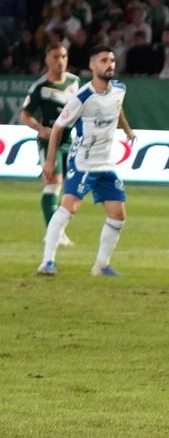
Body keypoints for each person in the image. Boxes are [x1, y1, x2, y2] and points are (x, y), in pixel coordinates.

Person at [38, 47, 133, 278]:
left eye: (112, 60)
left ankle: (101, 265)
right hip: (83, 163)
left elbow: (117, 107)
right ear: (93, 66)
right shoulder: (83, 97)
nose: (109, 64)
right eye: (103, 60)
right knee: (70, 208)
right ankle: (47, 261)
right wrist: (50, 162)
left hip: (106, 164)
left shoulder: (119, 88)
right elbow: (59, 127)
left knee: (118, 214)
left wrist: (127, 129)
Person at [19, 42, 81, 242]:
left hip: (70, 141)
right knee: (53, 184)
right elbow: (25, 115)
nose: (60, 61)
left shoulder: (75, 82)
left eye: (63, 56)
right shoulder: (40, 86)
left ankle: (58, 231)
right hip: (50, 141)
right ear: (47, 60)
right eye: (55, 57)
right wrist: (40, 128)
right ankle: (53, 234)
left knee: (70, 189)